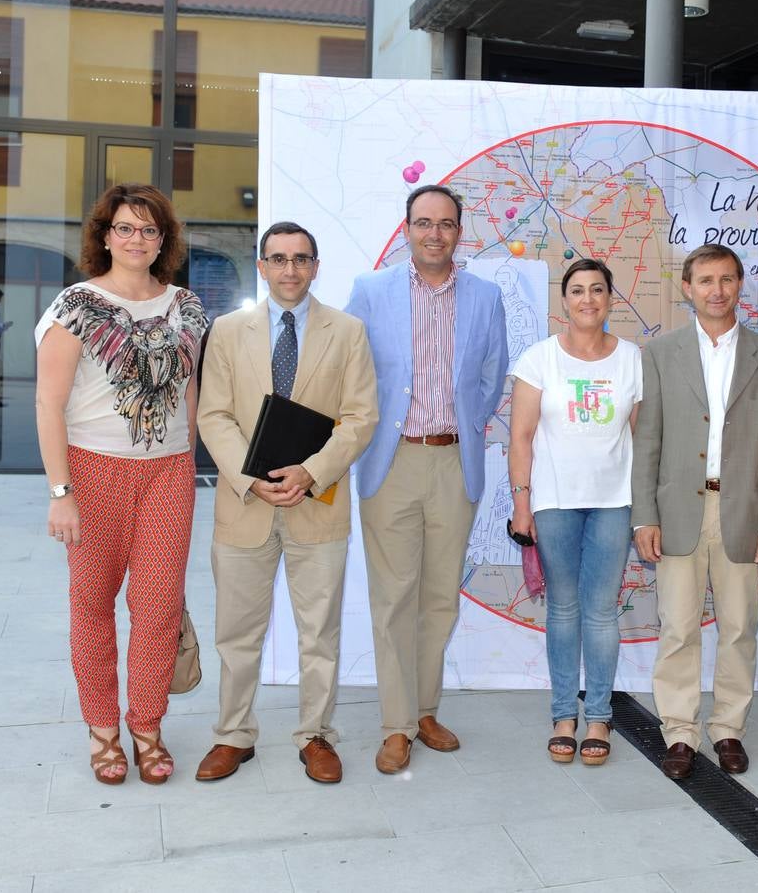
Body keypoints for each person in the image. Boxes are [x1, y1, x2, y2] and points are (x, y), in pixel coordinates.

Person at [34, 183, 206, 784]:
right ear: (105, 235)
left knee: (158, 608)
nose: (138, 239)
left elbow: (190, 391)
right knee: (93, 607)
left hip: (169, 473)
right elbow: (48, 404)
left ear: (165, 240)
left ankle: (147, 727)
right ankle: (103, 730)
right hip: (93, 470)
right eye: (126, 228)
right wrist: (62, 493)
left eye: (150, 230)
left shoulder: (186, 307)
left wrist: (189, 460)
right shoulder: (76, 305)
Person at [194, 221, 377, 785]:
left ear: (316, 266)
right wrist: (251, 479)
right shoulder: (226, 330)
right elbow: (213, 415)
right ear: (262, 266)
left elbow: (360, 417)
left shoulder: (347, 332)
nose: (290, 269)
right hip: (244, 504)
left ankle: (316, 736)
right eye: (278, 259)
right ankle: (233, 736)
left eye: (301, 259)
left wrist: (311, 470)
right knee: (237, 632)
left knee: (318, 632)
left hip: (316, 502)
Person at [346, 184, 508, 774]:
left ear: (459, 231)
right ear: (407, 228)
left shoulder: (486, 297)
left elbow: (491, 378)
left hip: (453, 460)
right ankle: (396, 725)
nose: (434, 233)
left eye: (445, 224)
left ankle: (425, 710)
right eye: (423, 223)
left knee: (439, 598)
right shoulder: (370, 291)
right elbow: (351, 369)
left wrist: (464, 425)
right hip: (391, 462)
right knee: (394, 598)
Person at [632, 243, 758, 779]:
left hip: (743, 510)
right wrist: (644, 515)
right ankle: (679, 732)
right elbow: (647, 440)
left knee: (739, 625)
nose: (717, 291)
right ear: (688, 288)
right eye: (705, 281)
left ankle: (728, 729)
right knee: (677, 627)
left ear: (739, 285)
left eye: (726, 280)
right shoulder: (659, 353)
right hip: (678, 509)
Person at [508, 258, 641, 766]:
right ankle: (565, 714)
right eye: (577, 290)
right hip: (555, 502)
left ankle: (601, 717)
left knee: (601, 611)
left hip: (614, 502)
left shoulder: (633, 359)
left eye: (597, 290)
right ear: (564, 301)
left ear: (610, 298)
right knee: (564, 609)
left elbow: (640, 436)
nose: (587, 299)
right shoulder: (538, 359)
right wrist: (522, 504)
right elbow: (520, 438)